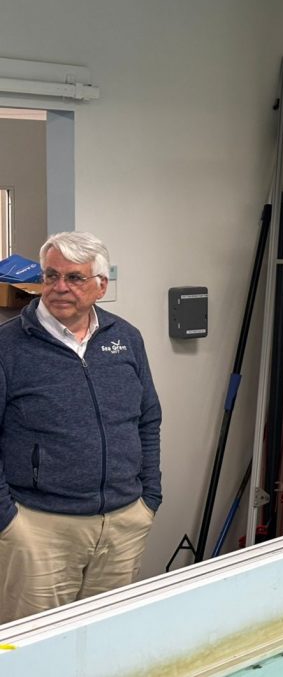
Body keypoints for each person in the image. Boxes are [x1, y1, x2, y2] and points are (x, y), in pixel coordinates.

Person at [0, 232, 161, 624]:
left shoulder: (125, 338)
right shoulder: (9, 346)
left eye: (74, 278)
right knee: (35, 644)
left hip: (123, 523)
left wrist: (149, 496)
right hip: (39, 527)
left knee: (108, 634)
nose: (59, 287)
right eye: (51, 276)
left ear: (101, 286)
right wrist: (7, 519)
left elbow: (148, 417)